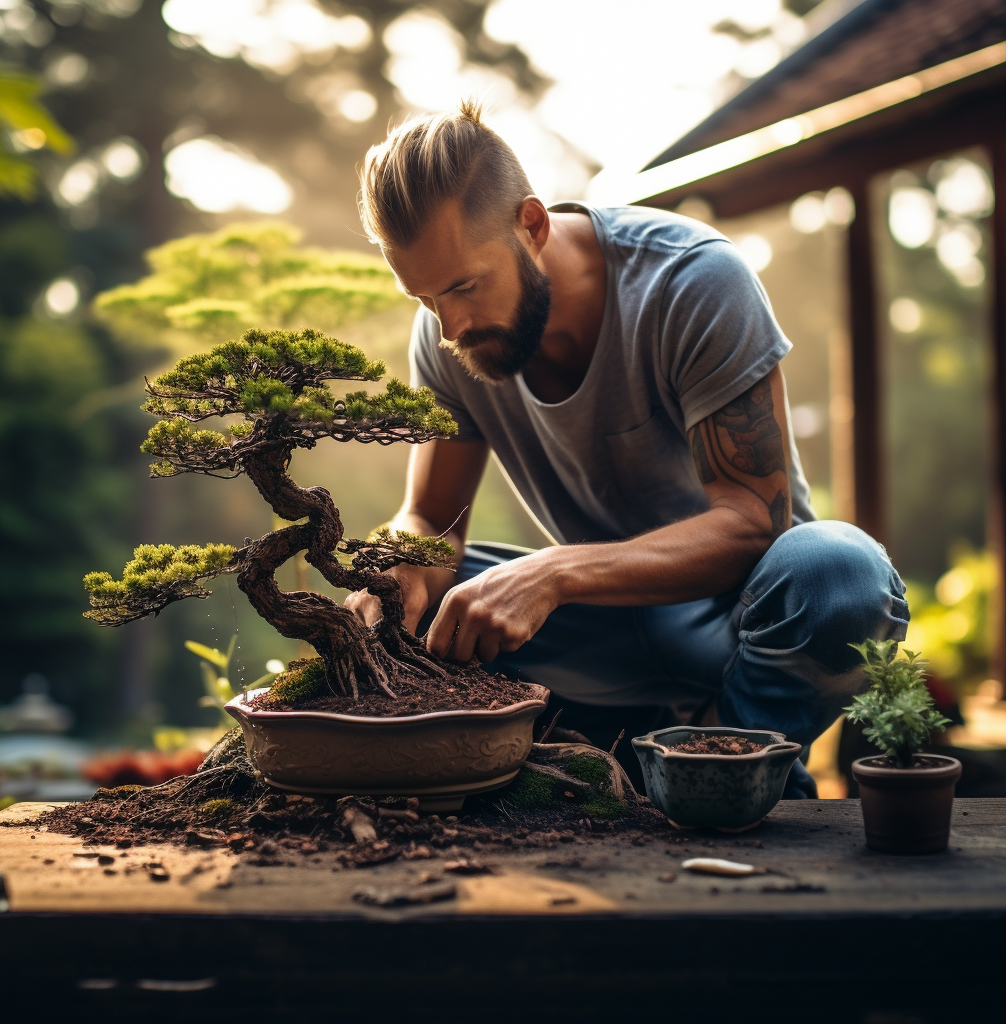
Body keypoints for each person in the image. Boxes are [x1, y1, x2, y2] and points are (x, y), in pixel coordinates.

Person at [345, 101, 908, 796]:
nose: (450, 325)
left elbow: (751, 523)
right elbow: (432, 519)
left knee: (843, 574)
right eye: (424, 298)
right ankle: (616, 751)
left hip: (739, 623)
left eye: (464, 286)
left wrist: (555, 573)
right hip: (597, 633)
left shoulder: (692, 280)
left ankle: (721, 766)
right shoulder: (445, 337)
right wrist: (397, 569)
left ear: (532, 225)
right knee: (426, 605)